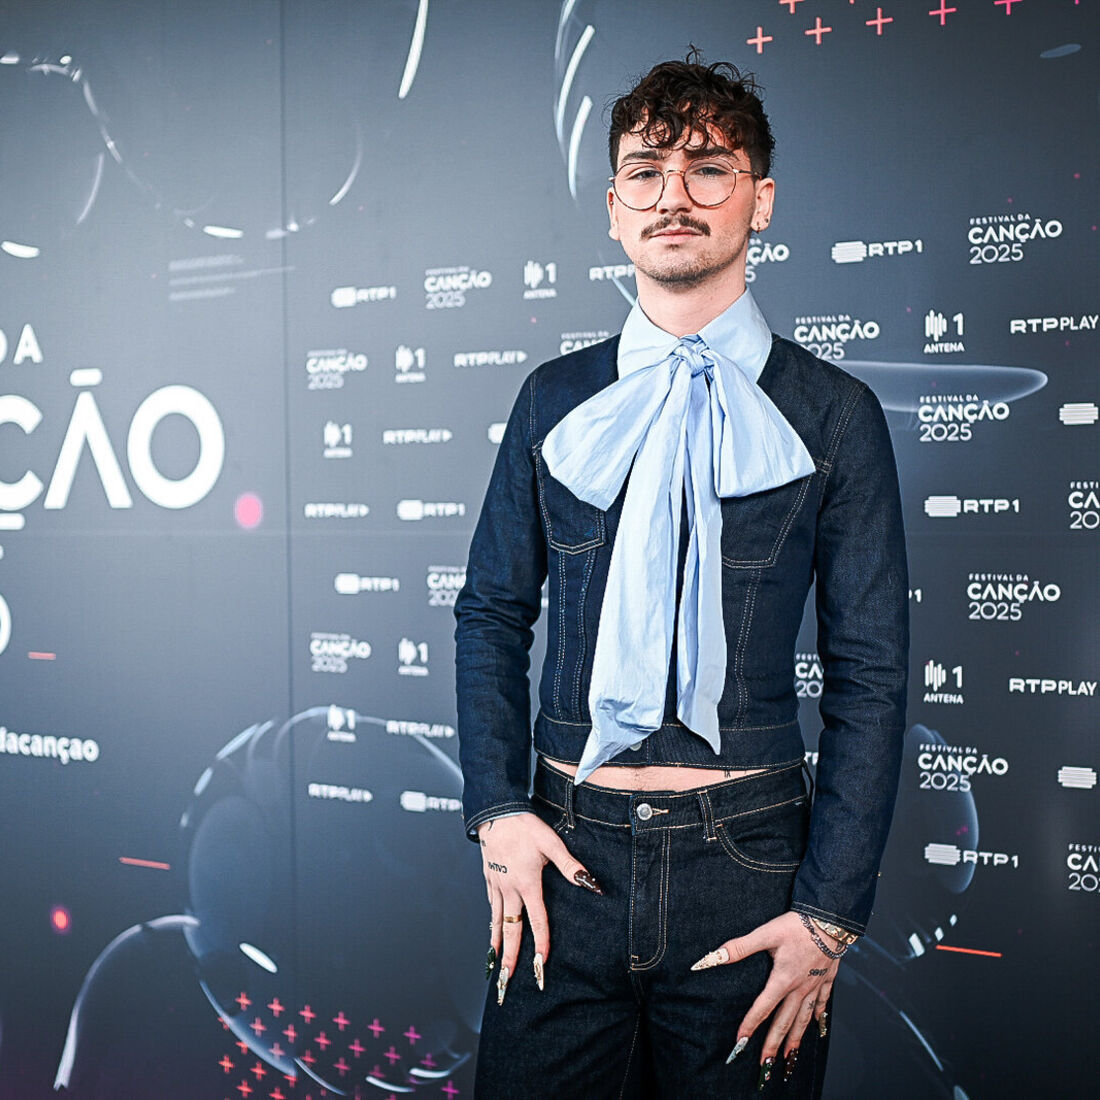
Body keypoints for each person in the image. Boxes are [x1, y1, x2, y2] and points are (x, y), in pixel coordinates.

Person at [454, 53, 908, 1098]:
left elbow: (871, 673)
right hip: (560, 860)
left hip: (749, 868)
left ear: (760, 200)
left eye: (708, 168)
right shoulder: (550, 398)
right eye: (645, 171)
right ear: (615, 210)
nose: (674, 195)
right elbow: (489, 613)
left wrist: (828, 913)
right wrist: (497, 810)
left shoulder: (835, 414)